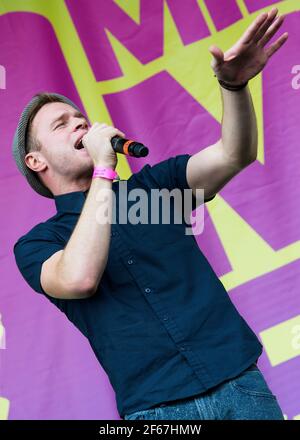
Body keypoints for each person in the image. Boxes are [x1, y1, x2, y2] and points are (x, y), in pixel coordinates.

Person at [13, 8, 287, 420]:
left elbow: (235, 154)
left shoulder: (153, 191)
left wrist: (234, 87)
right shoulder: (39, 244)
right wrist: (105, 169)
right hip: (156, 412)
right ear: (36, 162)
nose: (79, 125)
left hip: (239, 385)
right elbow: (79, 278)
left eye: (80, 118)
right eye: (61, 125)